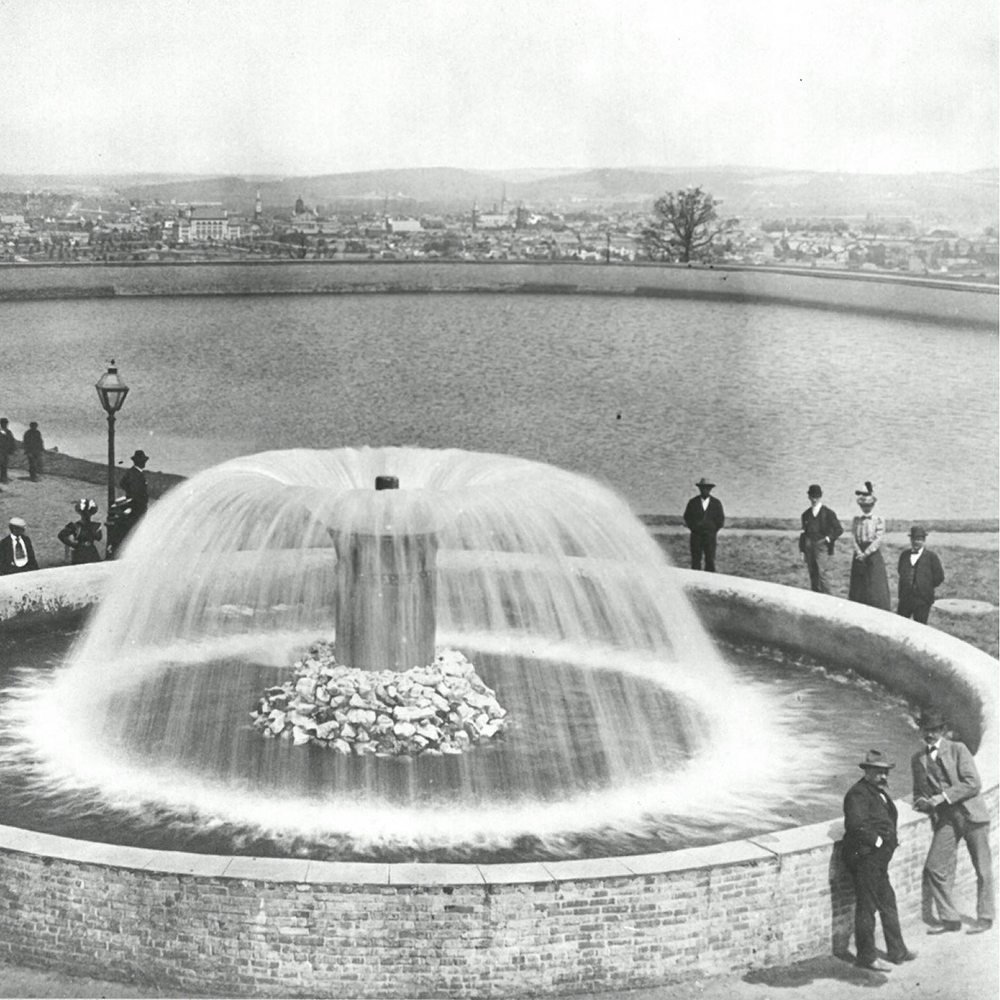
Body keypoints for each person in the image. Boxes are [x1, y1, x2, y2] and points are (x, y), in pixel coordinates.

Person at [912, 710, 994, 935]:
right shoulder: (918, 759)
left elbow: (973, 783)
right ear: (921, 731)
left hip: (972, 817)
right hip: (947, 820)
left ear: (942, 731)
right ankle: (950, 918)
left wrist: (943, 797)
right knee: (934, 867)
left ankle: (985, 917)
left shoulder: (958, 749)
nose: (930, 734)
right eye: (926, 730)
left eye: (934, 730)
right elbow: (917, 792)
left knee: (983, 869)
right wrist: (922, 802)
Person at [842, 749, 916, 971]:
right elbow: (856, 825)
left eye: (886, 772)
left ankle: (897, 951)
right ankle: (866, 957)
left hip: (878, 862)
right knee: (867, 908)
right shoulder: (858, 794)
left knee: (888, 904)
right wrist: (877, 843)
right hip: (866, 860)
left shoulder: (877, 792)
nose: (883, 777)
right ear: (867, 772)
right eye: (878, 772)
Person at [848, 481, 891, 610]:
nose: (866, 508)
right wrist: (858, 552)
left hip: (872, 555)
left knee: (874, 585)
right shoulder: (856, 520)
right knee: (858, 586)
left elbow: (878, 539)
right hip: (858, 555)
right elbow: (853, 537)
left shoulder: (878, 520)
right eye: (863, 506)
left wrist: (866, 553)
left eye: (868, 505)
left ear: (873, 505)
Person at [799, 484, 843, 594]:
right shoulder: (805, 514)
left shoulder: (828, 513)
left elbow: (839, 530)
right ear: (809, 497)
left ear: (820, 496)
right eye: (812, 496)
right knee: (812, 574)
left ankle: (828, 600)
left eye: (816, 496)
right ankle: (816, 599)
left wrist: (827, 539)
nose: (814, 499)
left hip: (822, 547)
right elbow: (803, 534)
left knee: (822, 574)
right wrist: (802, 550)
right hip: (809, 547)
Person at [897, 526, 945, 624]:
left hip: (923, 599)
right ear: (910, 540)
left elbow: (939, 577)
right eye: (914, 539)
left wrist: (925, 585)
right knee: (900, 624)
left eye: (919, 539)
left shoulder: (931, 557)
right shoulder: (904, 555)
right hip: (906, 597)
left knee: (920, 627)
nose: (916, 542)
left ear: (923, 540)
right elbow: (901, 571)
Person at [682, 477, 725, 572]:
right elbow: (687, 517)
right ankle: (695, 580)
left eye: (707, 488)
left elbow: (720, 520)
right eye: (702, 488)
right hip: (696, 536)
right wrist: (694, 528)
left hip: (710, 537)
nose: (704, 490)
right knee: (696, 559)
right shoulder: (693, 502)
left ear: (710, 489)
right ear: (699, 489)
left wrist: (712, 530)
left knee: (710, 559)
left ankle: (710, 581)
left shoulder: (716, 503)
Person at [57, 498, 103, 565]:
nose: (87, 515)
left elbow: (99, 537)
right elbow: (61, 535)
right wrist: (73, 544)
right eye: (84, 513)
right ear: (81, 513)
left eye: (89, 513)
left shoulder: (95, 526)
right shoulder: (75, 526)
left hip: (91, 552)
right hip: (80, 552)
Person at [119, 449, 150, 517]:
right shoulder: (135, 474)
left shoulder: (132, 472)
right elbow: (133, 489)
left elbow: (122, 483)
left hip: (136, 505)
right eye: (143, 461)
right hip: (137, 507)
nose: (144, 463)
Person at [0, 417, 15, 484]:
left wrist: (12, 449)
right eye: (3, 423)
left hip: (5, 451)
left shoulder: (8, 432)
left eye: (6, 423)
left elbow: (12, 441)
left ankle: (3, 478)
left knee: (4, 464)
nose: (5, 424)